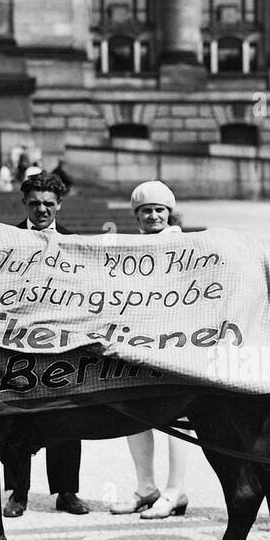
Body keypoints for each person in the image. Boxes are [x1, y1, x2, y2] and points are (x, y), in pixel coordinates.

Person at [0, 173, 89, 517]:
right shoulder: (7, 240)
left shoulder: (76, 243)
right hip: (18, 345)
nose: (41, 210)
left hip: (62, 345)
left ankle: (67, 492)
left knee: (66, 416)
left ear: (60, 205)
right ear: (24, 202)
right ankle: (18, 493)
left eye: (49, 204)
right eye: (35, 203)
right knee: (17, 418)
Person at [110, 180, 194, 519]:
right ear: (136, 216)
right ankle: (146, 487)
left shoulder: (185, 244)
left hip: (178, 339)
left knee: (179, 415)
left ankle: (176, 490)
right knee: (136, 412)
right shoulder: (130, 246)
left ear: (169, 213)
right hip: (139, 341)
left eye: (159, 210)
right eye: (146, 211)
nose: (154, 215)